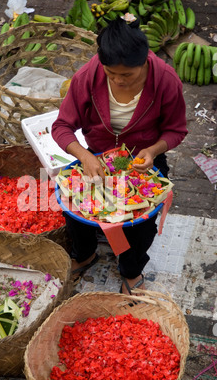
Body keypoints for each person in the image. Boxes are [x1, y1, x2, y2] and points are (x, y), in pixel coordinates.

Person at [52, 15, 187, 295]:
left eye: (127, 75)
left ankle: (131, 269)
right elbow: (61, 127)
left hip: (140, 160)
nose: (117, 80)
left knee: (139, 224)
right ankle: (86, 253)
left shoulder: (165, 80)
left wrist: (153, 150)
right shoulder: (87, 77)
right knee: (77, 212)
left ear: (145, 62)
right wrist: (86, 157)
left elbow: (176, 130)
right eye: (111, 73)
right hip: (98, 156)